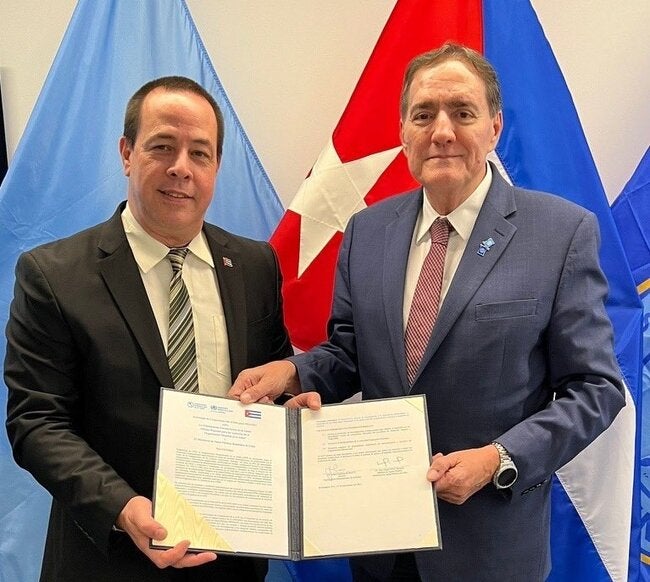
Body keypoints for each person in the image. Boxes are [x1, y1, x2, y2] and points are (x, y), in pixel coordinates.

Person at [229, 43, 626, 581]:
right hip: (380, 544)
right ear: (403, 132)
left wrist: (499, 458)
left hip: (489, 550)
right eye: (423, 115)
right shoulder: (367, 231)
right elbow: (350, 352)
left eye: (462, 113)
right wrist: (293, 372)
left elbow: (596, 388)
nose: (441, 131)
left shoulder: (560, 234)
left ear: (494, 128)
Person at [5, 76, 292, 581]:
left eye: (200, 153)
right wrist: (122, 507)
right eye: (162, 146)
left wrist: (292, 404)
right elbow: (36, 421)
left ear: (216, 167)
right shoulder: (53, 275)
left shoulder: (254, 265)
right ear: (127, 153)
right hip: (108, 558)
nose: (181, 167)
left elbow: (271, 381)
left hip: (232, 558)